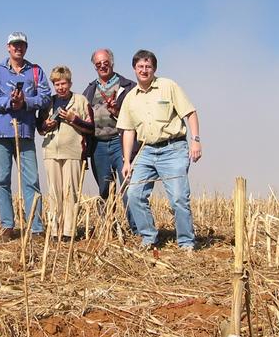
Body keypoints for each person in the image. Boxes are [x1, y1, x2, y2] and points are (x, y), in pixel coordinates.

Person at [118, 49, 202, 250]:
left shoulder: (168, 86)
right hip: (145, 152)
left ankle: (186, 242)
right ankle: (149, 237)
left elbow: (190, 112)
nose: (144, 70)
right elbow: (128, 130)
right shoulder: (130, 97)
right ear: (134, 69)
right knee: (134, 194)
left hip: (173, 149)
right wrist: (127, 161)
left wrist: (196, 140)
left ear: (154, 68)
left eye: (148, 66)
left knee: (179, 198)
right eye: (140, 66)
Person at [0, 32, 51, 240]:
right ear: (8, 47)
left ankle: (36, 227)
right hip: (0, 132)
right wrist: (10, 102)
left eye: (21, 45)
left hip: (25, 132)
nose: (18, 48)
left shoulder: (35, 71)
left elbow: (46, 97)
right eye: (14, 45)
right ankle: (7, 225)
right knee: (2, 180)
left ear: (26, 47)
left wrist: (25, 102)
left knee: (31, 180)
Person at [37, 66, 94, 240]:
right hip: (51, 151)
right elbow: (39, 129)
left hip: (73, 151)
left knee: (71, 193)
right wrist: (47, 125)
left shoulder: (81, 101)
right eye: (57, 84)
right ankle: (55, 230)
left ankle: (69, 231)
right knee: (54, 193)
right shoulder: (48, 102)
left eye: (64, 84)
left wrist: (73, 119)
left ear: (70, 83)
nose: (61, 88)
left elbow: (91, 128)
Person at [83, 48, 137, 231]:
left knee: (127, 188)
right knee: (104, 189)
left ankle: (137, 229)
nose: (102, 66)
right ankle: (109, 228)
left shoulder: (128, 87)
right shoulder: (90, 90)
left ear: (112, 63)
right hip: (97, 144)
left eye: (105, 62)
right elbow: (84, 117)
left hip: (120, 142)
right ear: (94, 66)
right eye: (98, 64)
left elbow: (135, 116)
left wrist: (117, 111)